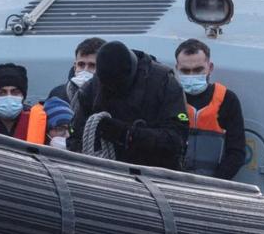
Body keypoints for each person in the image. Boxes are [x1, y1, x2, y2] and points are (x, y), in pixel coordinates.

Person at [71, 40, 190, 170]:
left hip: (155, 172)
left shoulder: (164, 84)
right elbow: (76, 137)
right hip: (108, 172)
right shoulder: (93, 89)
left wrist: (126, 134)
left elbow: (176, 140)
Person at [174, 38, 249, 180]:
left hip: (213, 185)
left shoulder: (227, 99)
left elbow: (237, 152)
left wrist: (215, 183)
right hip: (173, 182)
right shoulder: (169, 98)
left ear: (210, 67)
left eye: (198, 70)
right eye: (185, 70)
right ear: (177, 69)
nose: (191, 75)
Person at [0, 63, 73, 146]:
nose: (9, 97)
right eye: (2, 93)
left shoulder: (40, 124)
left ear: (23, 96)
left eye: (15, 92)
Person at [48, 38, 105, 108]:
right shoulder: (57, 94)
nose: (85, 70)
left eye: (92, 65)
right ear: (75, 67)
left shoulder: (112, 97)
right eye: (81, 64)